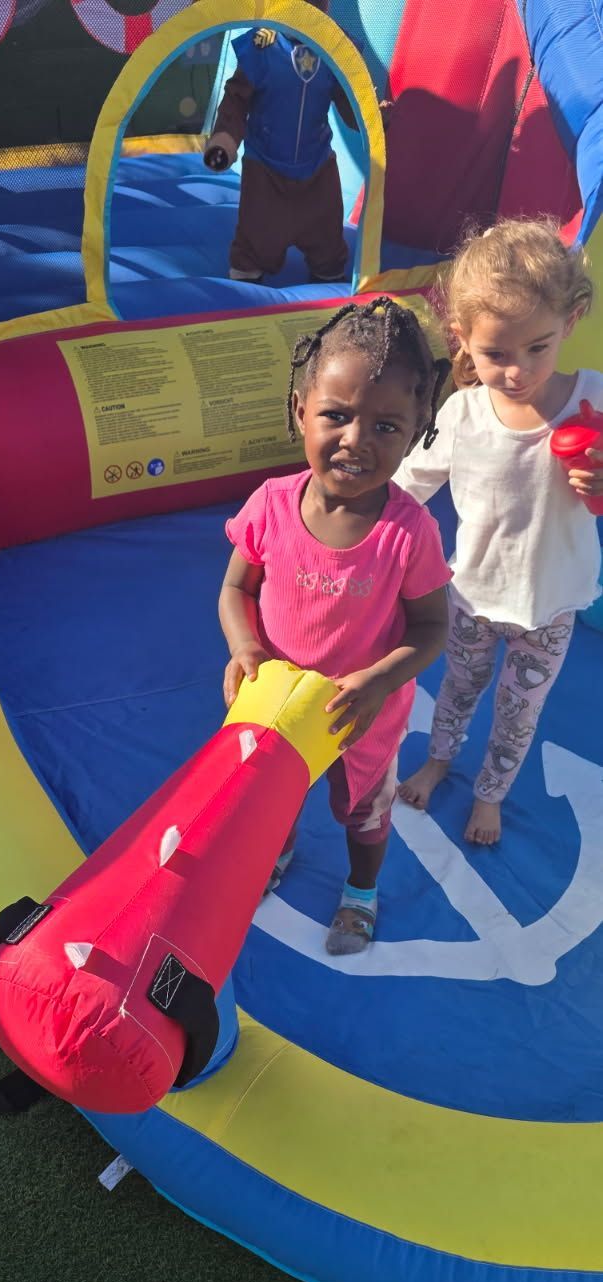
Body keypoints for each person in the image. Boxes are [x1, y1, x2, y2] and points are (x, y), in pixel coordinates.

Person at [219, 297, 451, 955]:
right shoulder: (270, 505)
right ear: (301, 410)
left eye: (385, 426)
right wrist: (244, 647)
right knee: (272, 799)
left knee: (363, 814)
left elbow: (430, 626)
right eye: (337, 415)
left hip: (361, 718)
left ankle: (360, 892)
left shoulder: (408, 533)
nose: (356, 440)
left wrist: (378, 681)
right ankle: (277, 852)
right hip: (277, 705)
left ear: (417, 431)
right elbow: (237, 587)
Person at [395, 218, 603, 845]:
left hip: (550, 606)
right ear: (462, 338)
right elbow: (407, 486)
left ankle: (491, 794)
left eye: (538, 347)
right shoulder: (463, 413)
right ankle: (439, 759)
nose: (517, 371)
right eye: (496, 355)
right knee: (457, 689)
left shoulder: (593, 401)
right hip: (473, 597)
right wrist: (352, 518)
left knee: (519, 713)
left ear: (571, 320)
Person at [203, 1, 368, 284]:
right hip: (266, 167)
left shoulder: (335, 45)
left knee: (326, 235)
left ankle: (327, 270)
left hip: (317, 166)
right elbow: (236, 98)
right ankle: (247, 275)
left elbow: (350, 102)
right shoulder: (262, 45)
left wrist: (373, 115)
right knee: (256, 233)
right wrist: (225, 140)